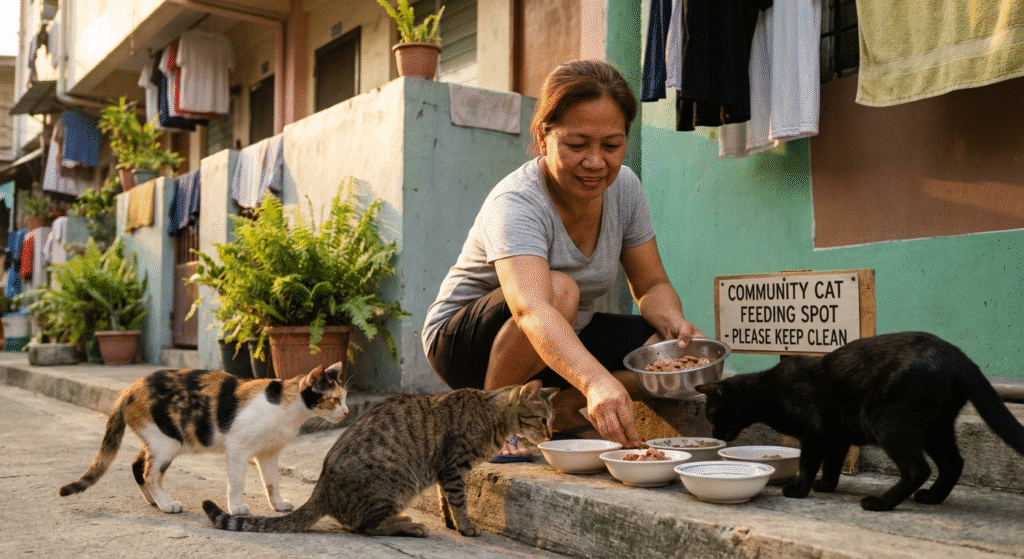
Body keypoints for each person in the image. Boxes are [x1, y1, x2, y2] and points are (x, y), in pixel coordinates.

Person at [422, 60, 705, 460]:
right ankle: (490, 421)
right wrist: (596, 382)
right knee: (559, 290)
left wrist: (674, 322)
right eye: (577, 145)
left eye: (611, 145)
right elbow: (531, 309)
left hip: (560, 334)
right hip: (466, 342)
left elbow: (651, 286)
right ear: (543, 135)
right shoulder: (517, 201)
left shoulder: (625, 189)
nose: (595, 162)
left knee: (670, 358)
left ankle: (565, 409)